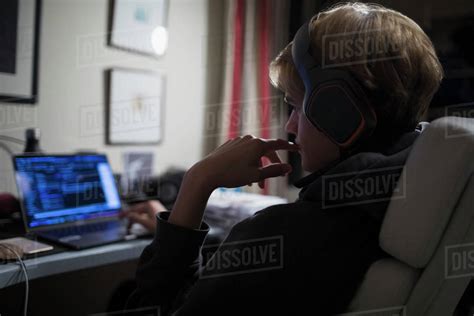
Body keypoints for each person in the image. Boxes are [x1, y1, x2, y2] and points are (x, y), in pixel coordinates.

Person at [122, 3, 443, 315]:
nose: (290, 126)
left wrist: (197, 182)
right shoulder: (413, 193)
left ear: (338, 112)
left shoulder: (286, 235)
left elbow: (153, 308)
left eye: (296, 105)